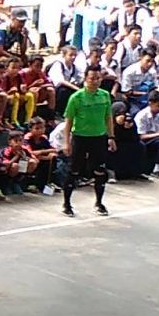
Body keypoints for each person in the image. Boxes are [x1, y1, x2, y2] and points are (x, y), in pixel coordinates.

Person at [59, 74, 110, 217]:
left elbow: (108, 117)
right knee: (74, 171)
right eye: (92, 78)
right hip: (80, 138)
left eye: (98, 78)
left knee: (100, 171)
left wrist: (111, 137)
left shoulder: (105, 95)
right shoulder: (76, 97)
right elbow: (68, 121)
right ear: (85, 79)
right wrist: (66, 142)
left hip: (99, 137)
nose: (95, 81)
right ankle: (67, 204)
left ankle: (99, 203)